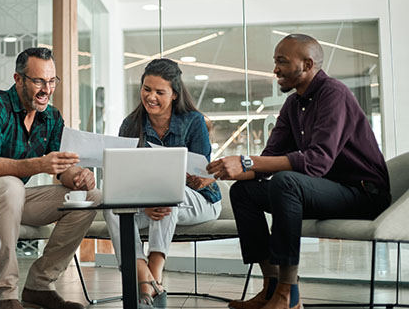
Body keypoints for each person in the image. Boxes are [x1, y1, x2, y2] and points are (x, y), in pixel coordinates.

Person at [207, 34, 391, 309]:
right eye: (275, 62)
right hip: (322, 190)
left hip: (362, 193)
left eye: (281, 61)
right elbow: (268, 159)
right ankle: (269, 288)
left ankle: (288, 294)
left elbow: (316, 162)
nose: (275, 70)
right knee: (244, 192)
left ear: (306, 64)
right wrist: (221, 172)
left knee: (286, 182)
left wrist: (247, 162)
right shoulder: (293, 105)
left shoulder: (334, 93)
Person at [0, 47, 101, 309]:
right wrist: (38, 164)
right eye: (38, 81)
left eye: (51, 81)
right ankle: (4, 295)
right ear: (18, 79)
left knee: (91, 197)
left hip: (7, 199)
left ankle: (39, 284)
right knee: (9, 184)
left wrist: (79, 176)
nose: (46, 89)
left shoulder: (51, 117)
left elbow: (60, 168)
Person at [103, 58, 222, 308]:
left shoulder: (193, 121)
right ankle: (142, 275)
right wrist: (142, 203)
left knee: (167, 191)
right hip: (147, 202)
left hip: (199, 200)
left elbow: (204, 174)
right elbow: (123, 176)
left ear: (175, 94)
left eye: (160, 92)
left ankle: (154, 273)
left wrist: (197, 179)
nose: (151, 97)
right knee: (111, 203)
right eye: (147, 89)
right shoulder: (131, 124)